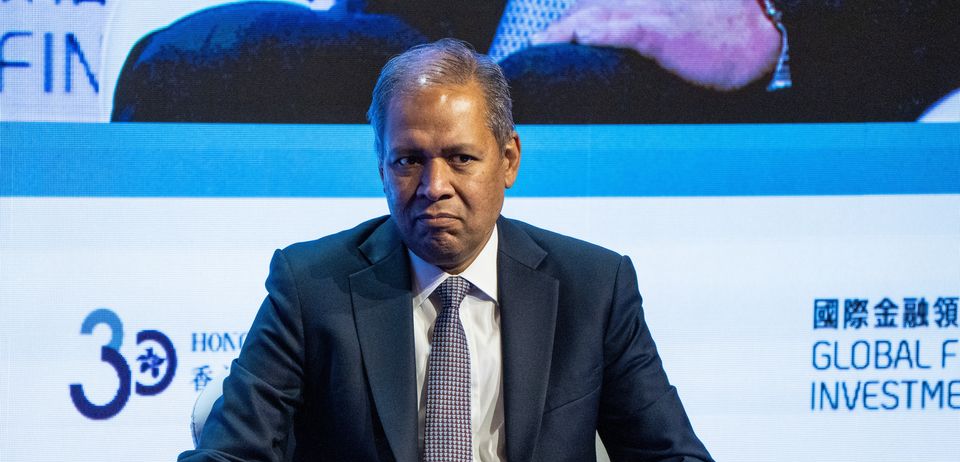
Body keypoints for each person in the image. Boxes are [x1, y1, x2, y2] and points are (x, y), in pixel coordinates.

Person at [160, 38, 729, 462]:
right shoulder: (313, 286)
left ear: (508, 160)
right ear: (380, 163)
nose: (433, 186)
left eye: (461, 159)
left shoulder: (591, 286)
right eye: (408, 160)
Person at [114, 1, 960, 124]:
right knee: (193, 64)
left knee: (541, 100)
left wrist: (779, 33)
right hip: (473, 43)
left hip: (707, 85)